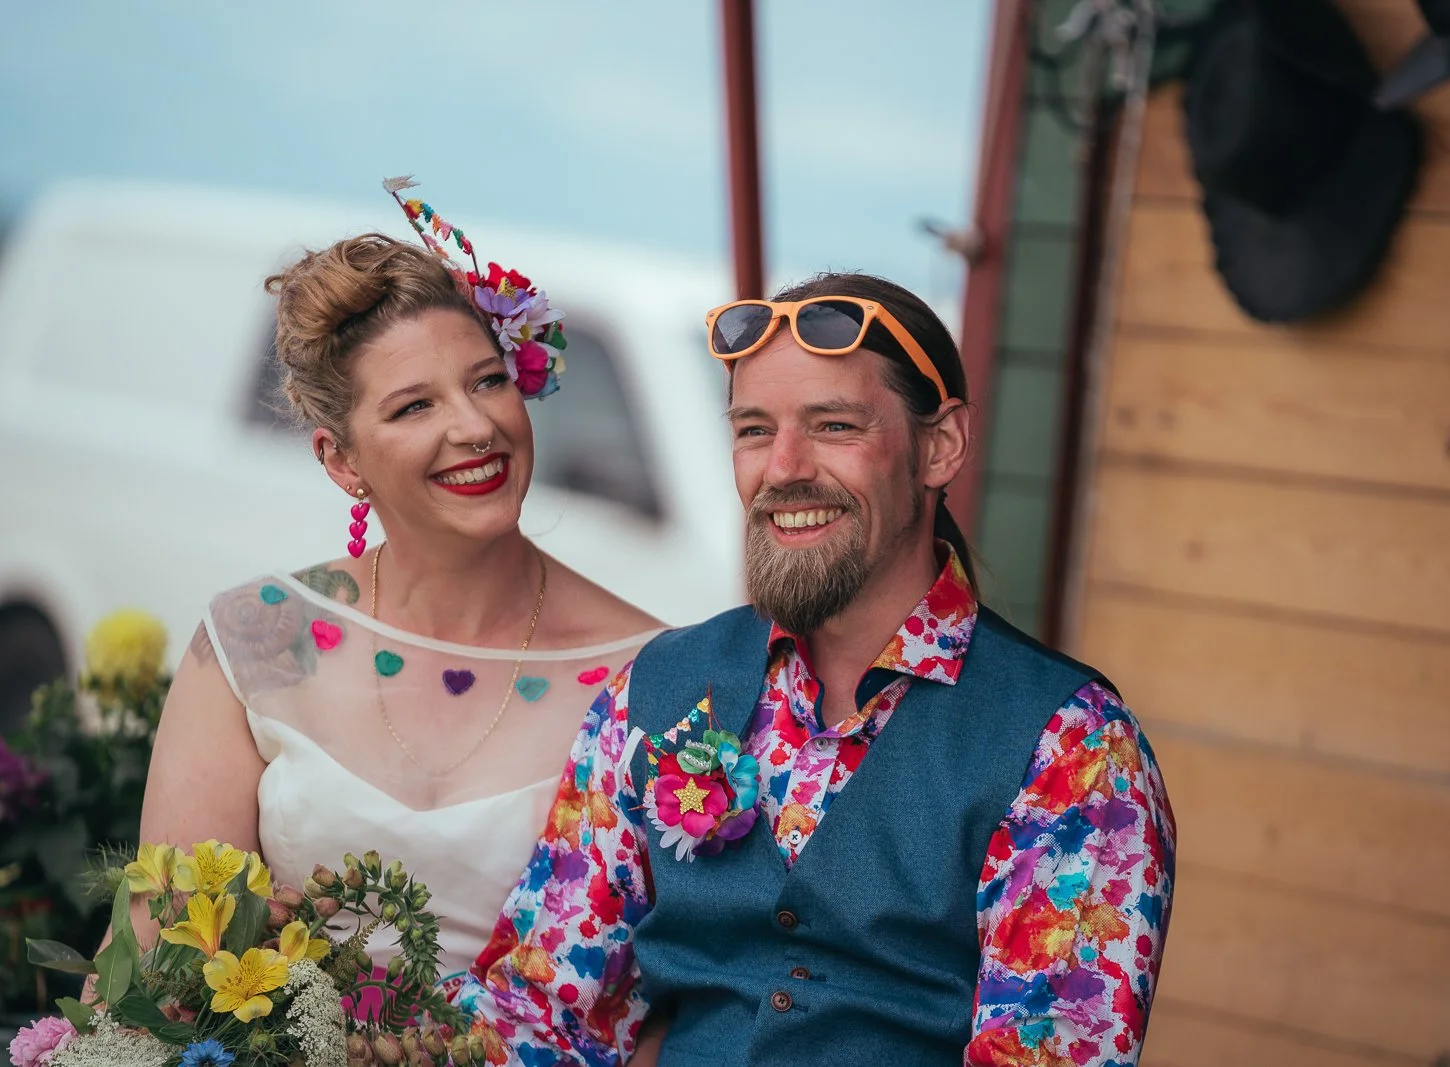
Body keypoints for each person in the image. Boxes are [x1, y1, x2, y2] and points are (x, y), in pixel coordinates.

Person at [456, 272, 1177, 1065]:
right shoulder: (656, 688)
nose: (784, 468)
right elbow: (541, 1008)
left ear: (940, 446)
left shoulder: (1070, 747)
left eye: (834, 425)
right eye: (754, 429)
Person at [134, 181, 665, 997]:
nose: (475, 426)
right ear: (341, 460)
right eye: (415, 405)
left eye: (488, 381)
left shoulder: (649, 672)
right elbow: (158, 954)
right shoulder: (252, 638)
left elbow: (683, 990)